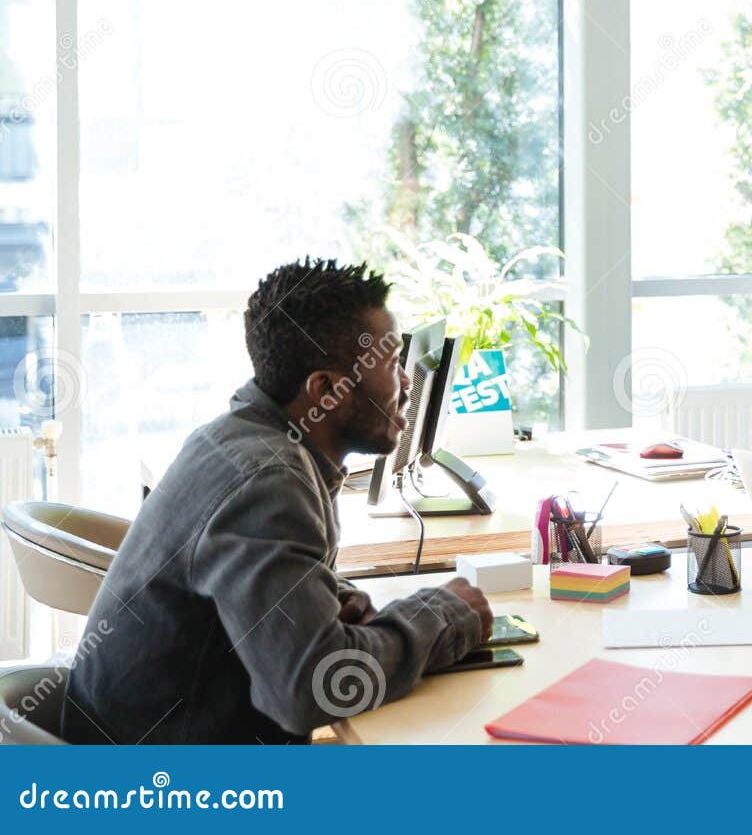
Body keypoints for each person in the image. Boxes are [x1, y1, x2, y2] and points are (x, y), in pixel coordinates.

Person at [62, 259, 492, 744]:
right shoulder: (268, 484)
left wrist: (326, 597)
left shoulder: (234, 438)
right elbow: (310, 689)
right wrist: (442, 616)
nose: (407, 385)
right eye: (393, 364)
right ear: (326, 389)